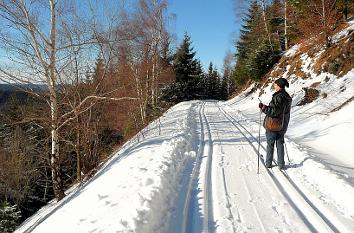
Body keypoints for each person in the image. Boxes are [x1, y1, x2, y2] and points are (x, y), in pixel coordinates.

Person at [259, 78, 292, 169]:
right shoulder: (287, 96)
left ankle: (268, 163)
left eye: (275, 84)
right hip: (283, 124)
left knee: (270, 144)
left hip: (273, 125)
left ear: (279, 85)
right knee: (280, 143)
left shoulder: (278, 96)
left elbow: (274, 112)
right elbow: (282, 111)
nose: (274, 85)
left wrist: (264, 108)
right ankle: (281, 164)